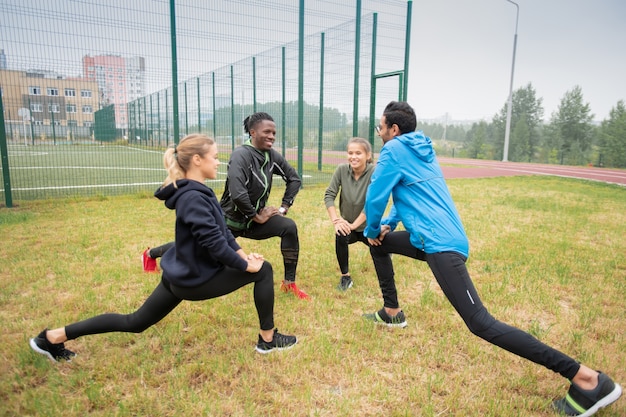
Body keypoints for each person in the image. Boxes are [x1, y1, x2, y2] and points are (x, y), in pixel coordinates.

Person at [362, 101, 621, 416]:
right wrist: (388, 225)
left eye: (380, 127)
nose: (379, 133)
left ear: (394, 129)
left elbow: (376, 194)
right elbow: (407, 197)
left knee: (481, 323)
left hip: (439, 244)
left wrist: (372, 227)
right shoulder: (419, 151)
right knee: (381, 245)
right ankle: (392, 311)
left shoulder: (394, 150)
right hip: (433, 238)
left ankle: (587, 378)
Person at [29, 134, 297, 362]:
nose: (219, 162)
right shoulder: (193, 197)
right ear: (197, 160)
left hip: (178, 275)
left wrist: (242, 255)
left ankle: (51, 338)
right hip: (194, 280)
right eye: (215, 157)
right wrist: (246, 265)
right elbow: (214, 243)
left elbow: (223, 233)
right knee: (264, 270)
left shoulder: (197, 191)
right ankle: (268, 341)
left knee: (134, 323)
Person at [220, 112, 309, 300]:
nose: (272, 136)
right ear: (253, 132)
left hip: (253, 222)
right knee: (197, 247)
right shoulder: (240, 155)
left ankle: (289, 284)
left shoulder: (271, 156)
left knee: (289, 227)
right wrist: (257, 216)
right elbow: (238, 193)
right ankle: (153, 254)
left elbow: (294, 179)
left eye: (274, 133)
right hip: (229, 222)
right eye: (267, 132)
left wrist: (283, 208)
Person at [324, 137, 375, 291]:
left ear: (368, 155)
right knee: (340, 233)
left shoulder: (375, 172)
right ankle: (345, 277)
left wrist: (354, 225)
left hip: (369, 228)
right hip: (348, 226)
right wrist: (336, 221)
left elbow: (372, 204)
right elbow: (329, 195)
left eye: (358, 153)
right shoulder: (341, 169)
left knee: (382, 249)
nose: (353, 156)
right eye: (350, 153)